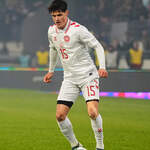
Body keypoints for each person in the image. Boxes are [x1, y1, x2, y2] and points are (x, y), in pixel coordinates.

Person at [43, 0, 108, 150]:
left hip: (88, 75)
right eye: (54, 16)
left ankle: (100, 146)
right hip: (70, 78)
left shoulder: (78, 30)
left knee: (92, 112)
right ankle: (76, 146)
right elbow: (53, 49)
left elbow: (97, 45)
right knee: (60, 116)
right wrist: (51, 70)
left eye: (60, 14)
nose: (57, 18)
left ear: (66, 13)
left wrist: (102, 67)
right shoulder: (51, 31)